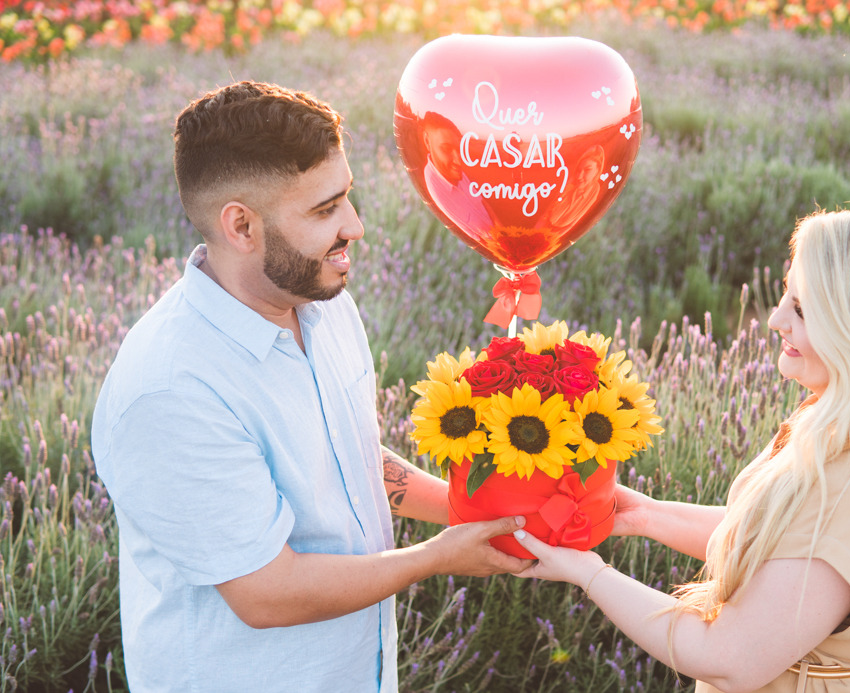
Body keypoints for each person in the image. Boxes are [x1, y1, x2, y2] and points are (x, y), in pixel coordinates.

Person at [91, 80, 530, 693]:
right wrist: (441, 556)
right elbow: (266, 593)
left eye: (347, 196)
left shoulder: (320, 304)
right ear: (242, 226)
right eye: (325, 210)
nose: (356, 225)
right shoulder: (172, 389)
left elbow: (346, 459)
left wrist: (486, 510)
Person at [513, 206, 850, 692]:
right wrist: (646, 516)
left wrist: (589, 574)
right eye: (786, 293)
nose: (776, 318)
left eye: (802, 309)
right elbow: (788, 549)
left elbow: (728, 657)